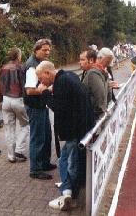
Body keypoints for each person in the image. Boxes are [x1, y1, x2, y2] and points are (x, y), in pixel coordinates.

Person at [36, 61, 95, 211]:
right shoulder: (69, 76)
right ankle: (69, 189)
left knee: (68, 162)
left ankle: (68, 195)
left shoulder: (61, 82)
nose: (40, 82)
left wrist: (44, 92)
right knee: (68, 160)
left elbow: (59, 107)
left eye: (40, 78)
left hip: (74, 130)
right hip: (82, 127)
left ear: (48, 73)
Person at [23, 38, 56, 180]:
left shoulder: (39, 64)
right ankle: (35, 169)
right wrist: (48, 89)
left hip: (41, 105)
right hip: (35, 106)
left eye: (48, 50)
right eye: (44, 50)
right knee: (38, 138)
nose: (47, 52)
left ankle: (44, 163)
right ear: (36, 50)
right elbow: (30, 91)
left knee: (47, 135)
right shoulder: (32, 66)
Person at [0, 47, 29, 163]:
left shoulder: (3, 67)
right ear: (18, 56)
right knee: (25, 125)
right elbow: (24, 84)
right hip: (18, 99)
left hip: (6, 100)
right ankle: (19, 150)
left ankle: (11, 155)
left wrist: (0, 99)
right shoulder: (21, 67)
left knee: (9, 128)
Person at [79, 49, 108, 120]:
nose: (79, 62)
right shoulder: (89, 71)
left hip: (93, 117)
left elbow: (100, 96)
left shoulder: (93, 73)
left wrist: (94, 115)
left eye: (82, 60)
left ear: (91, 60)